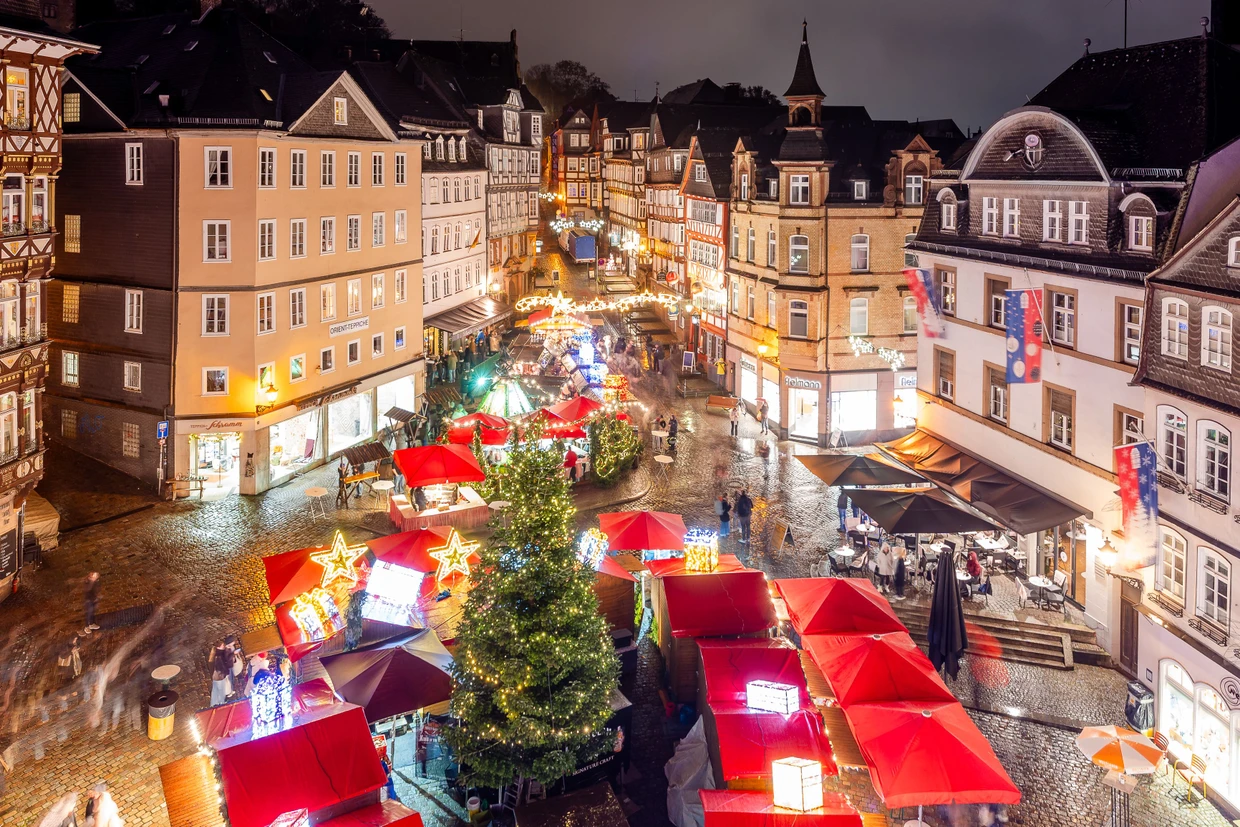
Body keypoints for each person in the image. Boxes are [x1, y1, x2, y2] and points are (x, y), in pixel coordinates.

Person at [209, 640, 233, 706]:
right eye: (222, 646)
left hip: (218, 676)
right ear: (218, 647)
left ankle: (216, 703)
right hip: (220, 676)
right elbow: (222, 667)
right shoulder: (218, 657)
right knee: (221, 690)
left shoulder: (216, 654)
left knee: (218, 689)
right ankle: (221, 703)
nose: (224, 646)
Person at [82, 571, 101, 635]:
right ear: (91, 576)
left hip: (93, 599)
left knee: (92, 612)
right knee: (89, 613)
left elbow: (97, 590)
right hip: (88, 600)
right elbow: (88, 589)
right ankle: (86, 626)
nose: (96, 577)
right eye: (95, 576)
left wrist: (97, 597)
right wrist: (92, 582)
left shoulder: (96, 582)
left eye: (97, 576)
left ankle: (92, 624)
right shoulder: (87, 582)